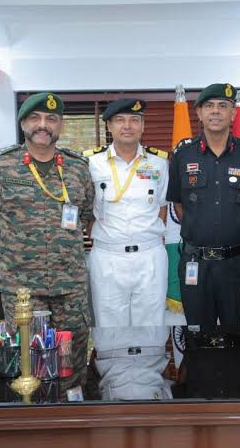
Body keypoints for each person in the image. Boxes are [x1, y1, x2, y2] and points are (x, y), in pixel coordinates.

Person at [0, 92, 94, 388]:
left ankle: (72, 406)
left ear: (60, 125)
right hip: (21, 284)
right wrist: (13, 245)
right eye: (35, 118)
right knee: (26, 358)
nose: (43, 125)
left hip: (69, 282)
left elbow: (85, 213)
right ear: (23, 123)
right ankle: (33, 409)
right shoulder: (0, 165)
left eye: (51, 119)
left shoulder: (77, 167)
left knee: (73, 353)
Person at [167, 83, 240, 326]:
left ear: (233, 114)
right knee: (199, 336)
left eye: (223, 106)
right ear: (199, 114)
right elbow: (179, 206)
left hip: (238, 264)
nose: (216, 111)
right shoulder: (183, 154)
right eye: (209, 106)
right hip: (196, 263)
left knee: (238, 336)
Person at [85, 98, 169, 327]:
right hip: (107, 257)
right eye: (120, 120)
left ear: (143, 126)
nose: (127, 126)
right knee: (109, 327)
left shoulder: (159, 164)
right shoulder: (91, 163)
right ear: (109, 126)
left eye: (134, 120)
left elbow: (161, 207)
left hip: (150, 257)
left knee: (151, 326)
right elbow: (85, 210)